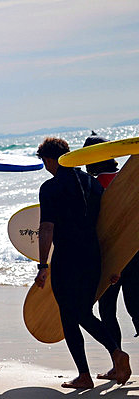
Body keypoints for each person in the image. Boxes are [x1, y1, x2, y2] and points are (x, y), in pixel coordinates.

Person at [33, 136, 130, 387]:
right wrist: (114, 262)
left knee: (73, 313)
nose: (45, 166)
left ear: (51, 159)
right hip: (93, 256)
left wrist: (43, 265)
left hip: (67, 258)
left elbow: (46, 228)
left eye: (45, 161)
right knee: (76, 313)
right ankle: (84, 374)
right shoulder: (91, 183)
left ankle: (114, 354)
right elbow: (107, 224)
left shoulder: (50, 188)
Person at [82, 134, 139, 379]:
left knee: (107, 310)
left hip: (112, 259)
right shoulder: (127, 180)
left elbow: (96, 227)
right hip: (136, 256)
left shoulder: (93, 186)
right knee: (137, 309)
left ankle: (118, 364)